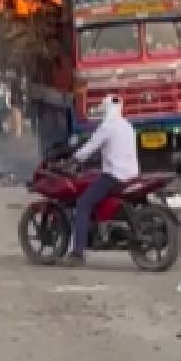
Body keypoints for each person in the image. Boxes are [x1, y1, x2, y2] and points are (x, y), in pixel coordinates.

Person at [67, 95, 139, 265]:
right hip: (131, 175)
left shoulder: (107, 126)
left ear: (106, 109)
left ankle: (77, 253)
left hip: (114, 176)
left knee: (83, 204)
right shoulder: (127, 125)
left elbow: (90, 146)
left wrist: (73, 159)